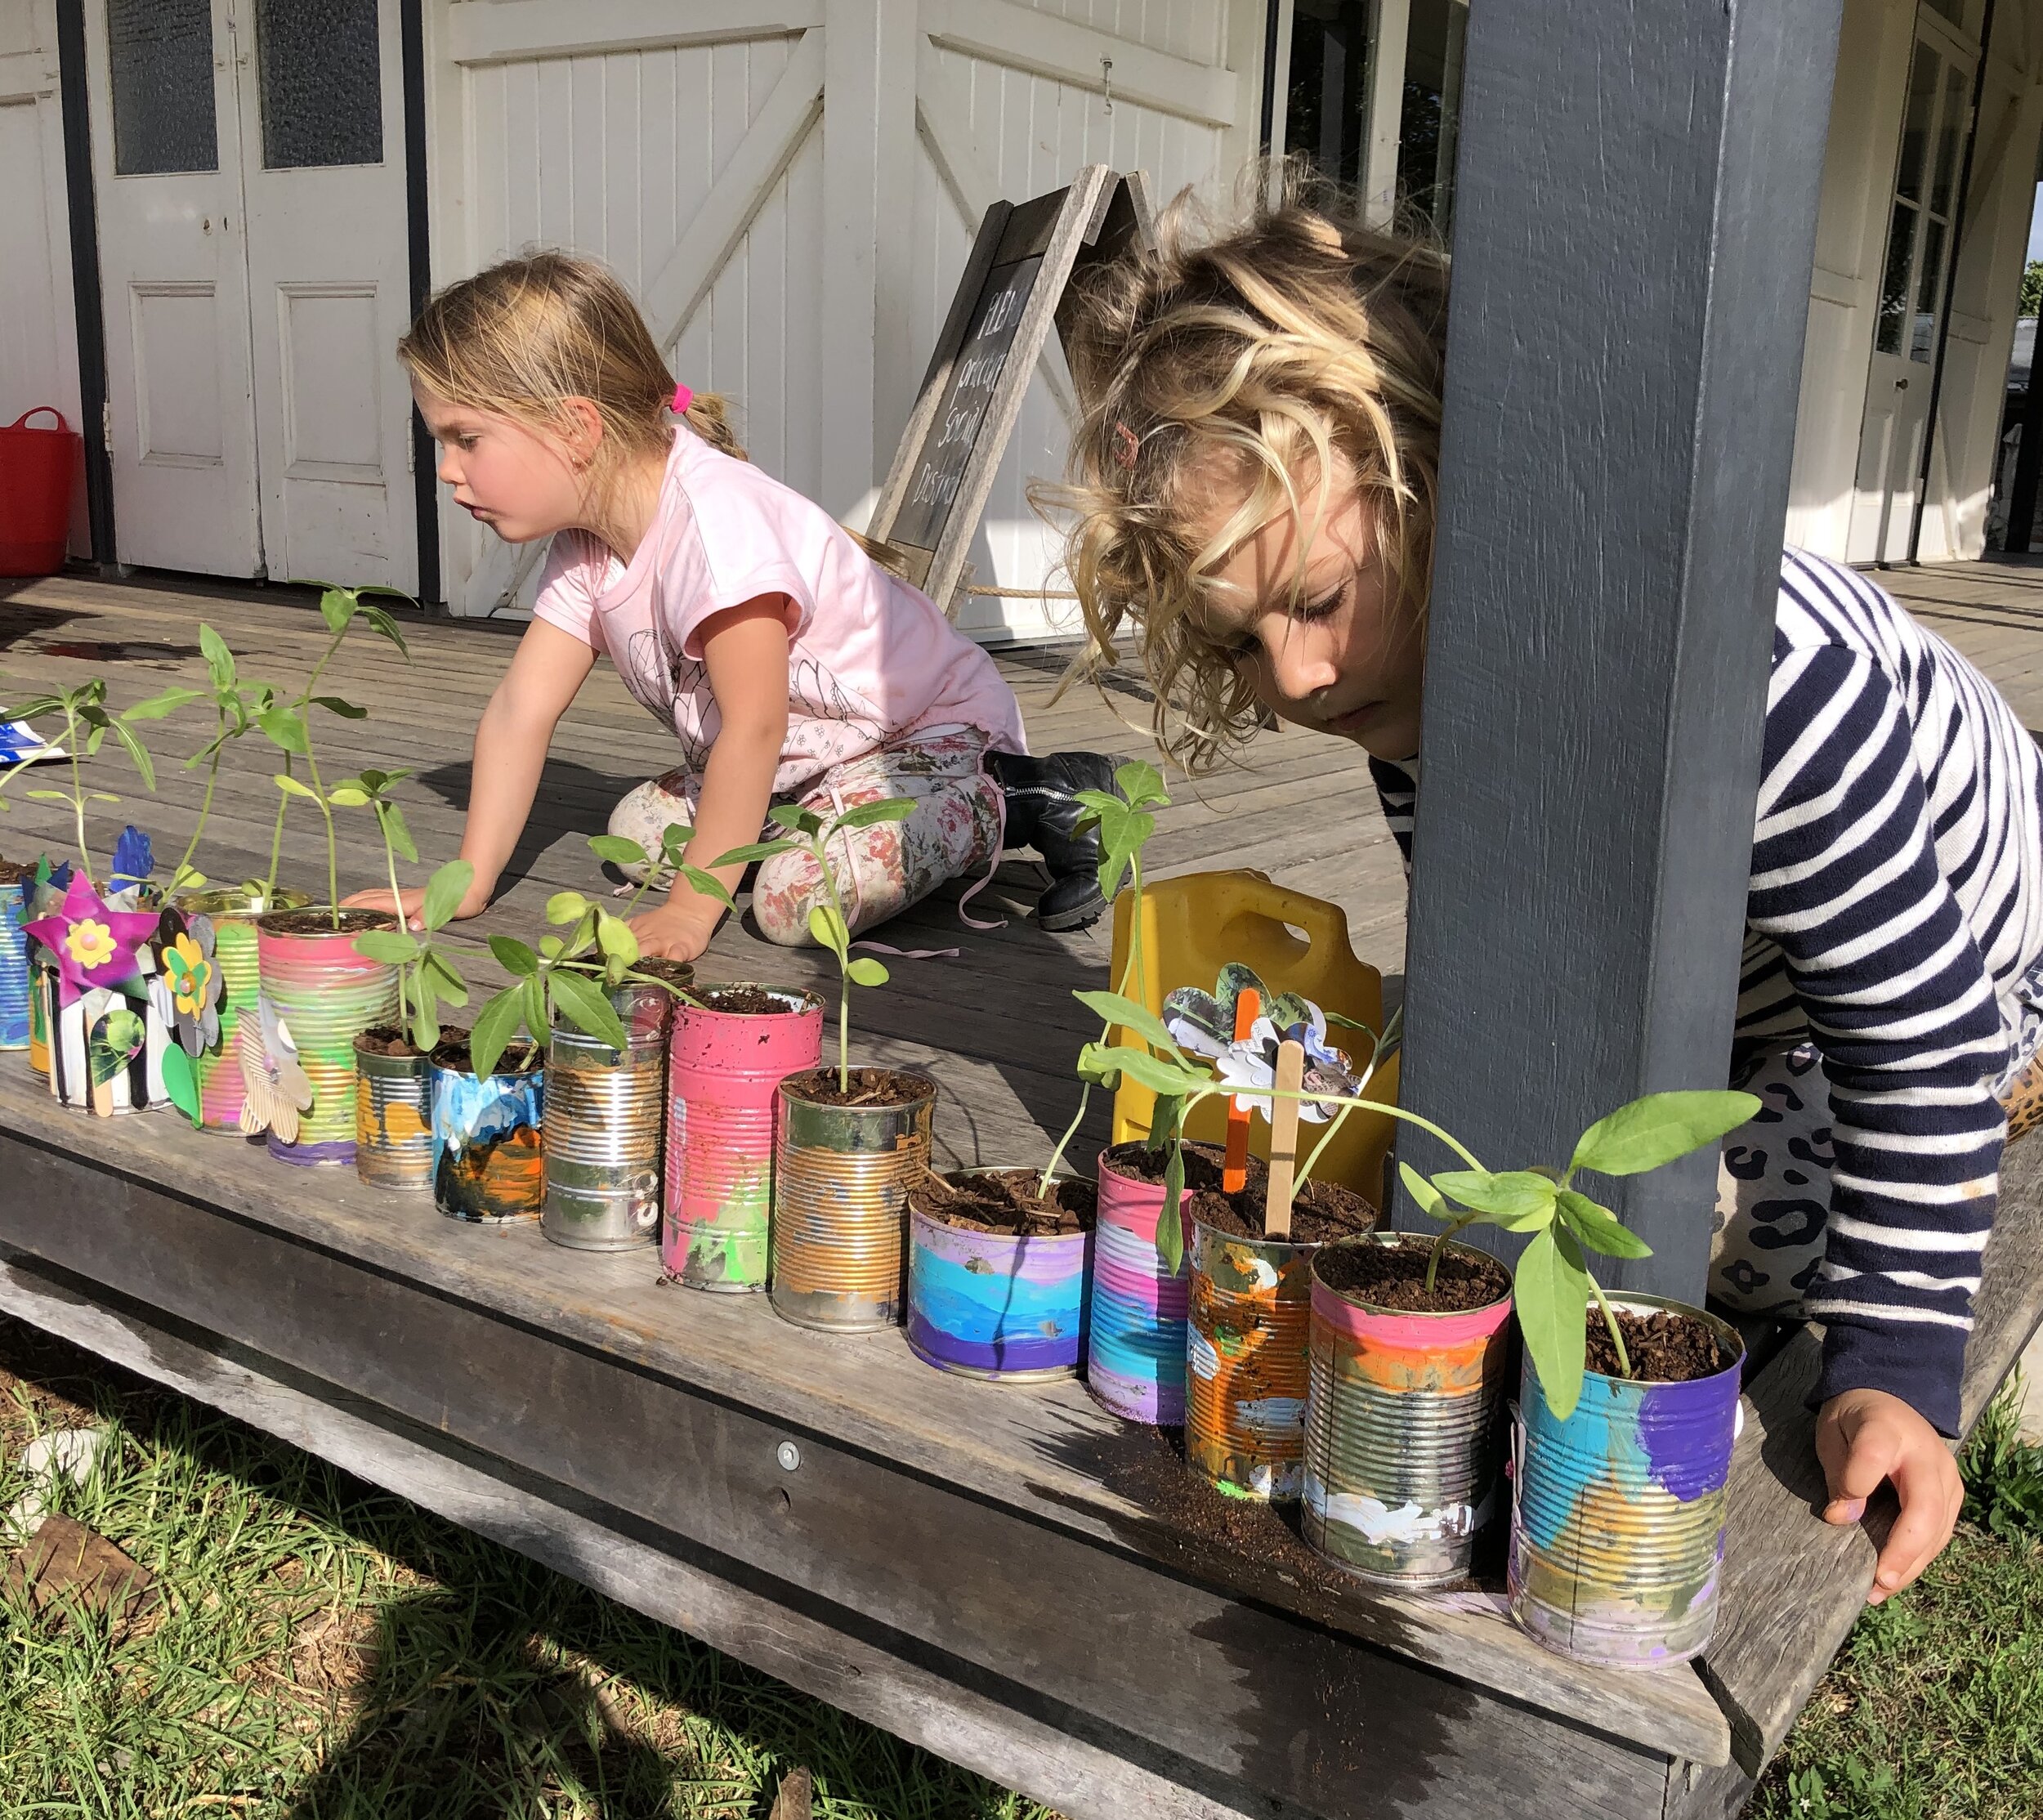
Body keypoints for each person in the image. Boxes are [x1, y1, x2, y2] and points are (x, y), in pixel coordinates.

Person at [1048, 180, 2043, 1604]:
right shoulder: (1418, 694)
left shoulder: (1756, 691)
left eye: (1318, 599)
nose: (1301, 679)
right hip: (1752, 990)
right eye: (1244, 638)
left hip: (1973, 982)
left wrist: (1895, 1372)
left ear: (1451, 475)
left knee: (1680, 1228)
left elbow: (1921, 1035)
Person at [349, 251, 1116, 952]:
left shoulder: (715, 530)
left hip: (925, 736)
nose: (448, 470)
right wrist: (468, 884)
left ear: (576, 428)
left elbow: (753, 726)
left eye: (466, 438)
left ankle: (1029, 790)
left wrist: (690, 911)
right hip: (805, 767)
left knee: (793, 901)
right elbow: (521, 710)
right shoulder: (585, 542)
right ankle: (807, 823)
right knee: (638, 832)